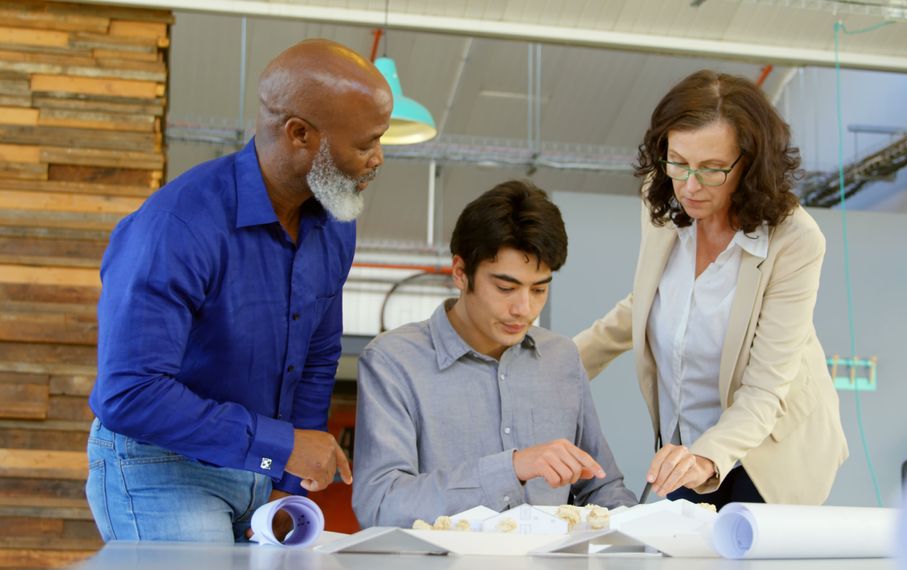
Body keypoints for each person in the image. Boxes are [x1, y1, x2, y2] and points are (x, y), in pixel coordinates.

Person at [86, 39, 392, 542]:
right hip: (159, 465)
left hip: (257, 468)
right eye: (365, 143)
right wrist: (281, 445)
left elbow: (317, 355)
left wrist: (290, 480)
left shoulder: (335, 223)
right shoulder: (176, 226)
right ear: (299, 134)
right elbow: (129, 393)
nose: (377, 159)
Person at [574, 71, 848, 510]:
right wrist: (559, 366)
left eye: (712, 169)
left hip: (773, 450)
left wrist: (706, 457)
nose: (690, 185)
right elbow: (646, 304)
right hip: (691, 447)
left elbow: (763, 392)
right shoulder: (663, 199)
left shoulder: (794, 241)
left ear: (750, 164)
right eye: (678, 161)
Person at [353, 180, 637, 528]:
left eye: (539, 289)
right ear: (460, 272)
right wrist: (512, 468)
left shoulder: (561, 358)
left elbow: (602, 489)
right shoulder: (394, 361)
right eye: (505, 287)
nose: (524, 309)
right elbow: (380, 505)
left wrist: (646, 530)